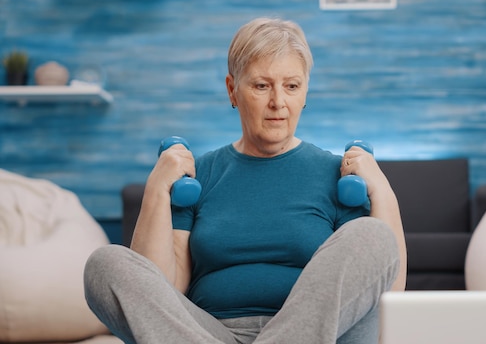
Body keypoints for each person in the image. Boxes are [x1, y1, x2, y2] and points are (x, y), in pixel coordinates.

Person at [84, 17, 407, 344]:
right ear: (232, 90)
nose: (278, 102)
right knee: (105, 265)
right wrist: (156, 190)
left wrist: (382, 190)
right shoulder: (199, 175)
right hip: (208, 335)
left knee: (372, 235)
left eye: (291, 86)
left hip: (319, 335)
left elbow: (390, 294)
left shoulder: (337, 175)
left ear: (305, 93)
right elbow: (161, 290)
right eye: (262, 85)